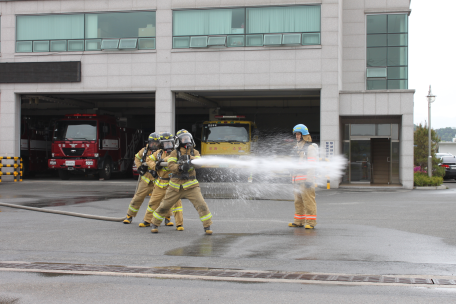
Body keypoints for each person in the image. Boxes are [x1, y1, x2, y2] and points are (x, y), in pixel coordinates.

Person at [150, 129, 213, 235]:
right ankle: (155, 224)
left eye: (188, 138)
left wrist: (189, 158)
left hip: (191, 186)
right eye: (184, 139)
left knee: (201, 205)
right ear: (179, 141)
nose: (186, 141)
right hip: (175, 187)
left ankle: (207, 226)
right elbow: (170, 165)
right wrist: (180, 167)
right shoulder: (174, 153)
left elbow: (199, 163)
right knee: (165, 205)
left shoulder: (194, 152)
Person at [140, 132, 184, 230]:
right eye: (165, 144)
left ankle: (179, 224)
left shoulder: (176, 152)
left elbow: (172, 158)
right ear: (161, 144)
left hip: (173, 183)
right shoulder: (158, 153)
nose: (168, 146)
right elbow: (148, 159)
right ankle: (147, 221)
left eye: (170, 143)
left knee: (176, 204)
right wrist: (156, 166)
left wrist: (162, 161)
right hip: (160, 183)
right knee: (153, 202)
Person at [123, 132, 160, 224]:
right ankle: (129, 216)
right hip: (146, 180)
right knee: (138, 197)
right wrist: (140, 167)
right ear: (149, 142)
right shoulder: (144, 151)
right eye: (152, 143)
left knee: (162, 199)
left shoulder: (161, 152)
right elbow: (137, 157)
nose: (154, 145)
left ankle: (167, 218)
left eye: (156, 143)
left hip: (158, 180)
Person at [289, 124, 317, 229]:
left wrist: (309, 179)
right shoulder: (295, 148)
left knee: (308, 201)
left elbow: (312, 165)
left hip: (306, 180)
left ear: (304, 135)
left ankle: (310, 222)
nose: (296, 136)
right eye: (295, 134)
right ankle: (298, 221)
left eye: (298, 134)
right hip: (296, 180)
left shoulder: (310, 148)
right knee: (298, 202)